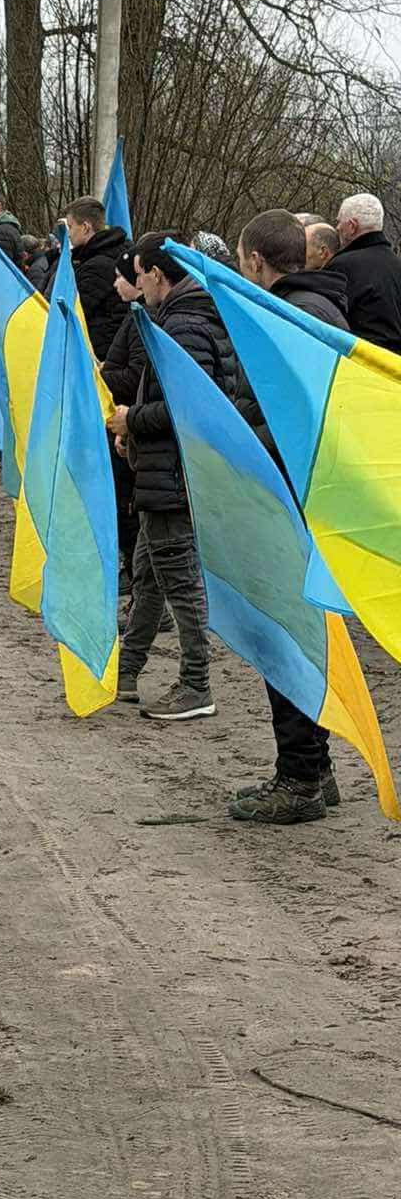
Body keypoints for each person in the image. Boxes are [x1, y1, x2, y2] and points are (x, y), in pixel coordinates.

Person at [228, 210, 348, 823]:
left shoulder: (283, 315)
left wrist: (230, 440)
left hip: (287, 501)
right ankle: (315, 770)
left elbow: (283, 418)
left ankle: (299, 778)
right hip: (312, 500)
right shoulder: (325, 308)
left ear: (254, 260)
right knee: (300, 633)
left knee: (284, 638)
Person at [105, 232, 246, 721]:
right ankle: (124, 673)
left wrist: (132, 421)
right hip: (164, 471)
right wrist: (137, 431)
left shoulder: (183, 324)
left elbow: (193, 408)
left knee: (180, 586)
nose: (135, 283)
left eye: (138, 274)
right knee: (148, 578)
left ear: (158, 276)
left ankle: (195, 684)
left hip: (175, 477)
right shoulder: (183, 317)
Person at [327, 191, 401, 352]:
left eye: (339, 222)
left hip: (362, 361)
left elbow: (328, 319)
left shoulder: (342, 267)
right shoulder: (396, 264)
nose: (337, 227)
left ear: (352, 226)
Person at [58, 195, 133, 354]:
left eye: (70, 227)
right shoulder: (118, 252)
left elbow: (74, 311)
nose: (69, 234)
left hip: (100, 350)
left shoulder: (96, 266)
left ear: (85, 227)